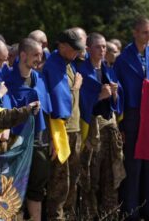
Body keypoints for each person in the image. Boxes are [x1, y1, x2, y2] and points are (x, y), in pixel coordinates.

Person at [114, 16, 149, 220]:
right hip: (133, 115)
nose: (148, 35)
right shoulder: (123, 59)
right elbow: (118, 89)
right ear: (135, 32)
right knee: (133, 167)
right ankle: (131, 212)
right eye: (144, 32)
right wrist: (121, 122)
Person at [78, 33, 125, 219]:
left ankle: (110, 214)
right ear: (88, 49)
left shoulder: (108, 69)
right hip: (92, 132)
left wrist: (114, 95)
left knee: (111, 176)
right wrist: (99, 97)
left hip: (109, 131)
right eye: (98, 47)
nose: (102, 50)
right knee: (91, 177)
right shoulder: (82, 71)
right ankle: (89, 215)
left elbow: (118, 103)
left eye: (104, 46)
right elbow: (80, 103)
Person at [4, 38, 52, 221]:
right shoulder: (7, 79)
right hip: (15, 141)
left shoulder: (39, 79)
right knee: (14, 188)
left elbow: (47, 111)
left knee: (37, 186)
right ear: (23, 55)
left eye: (41, 54)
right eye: (35, 55)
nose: (39, 58)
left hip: (39, 139)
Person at [42, 29, 84, 221]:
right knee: (60, 183)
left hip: (73, 129)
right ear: (62, 46)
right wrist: (75, 87)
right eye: (74, 49)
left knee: (73, 180)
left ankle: (69, 216)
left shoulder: (69, 63)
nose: (78, 53)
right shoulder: (54, 65)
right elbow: (57, 100)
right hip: (61, 131)